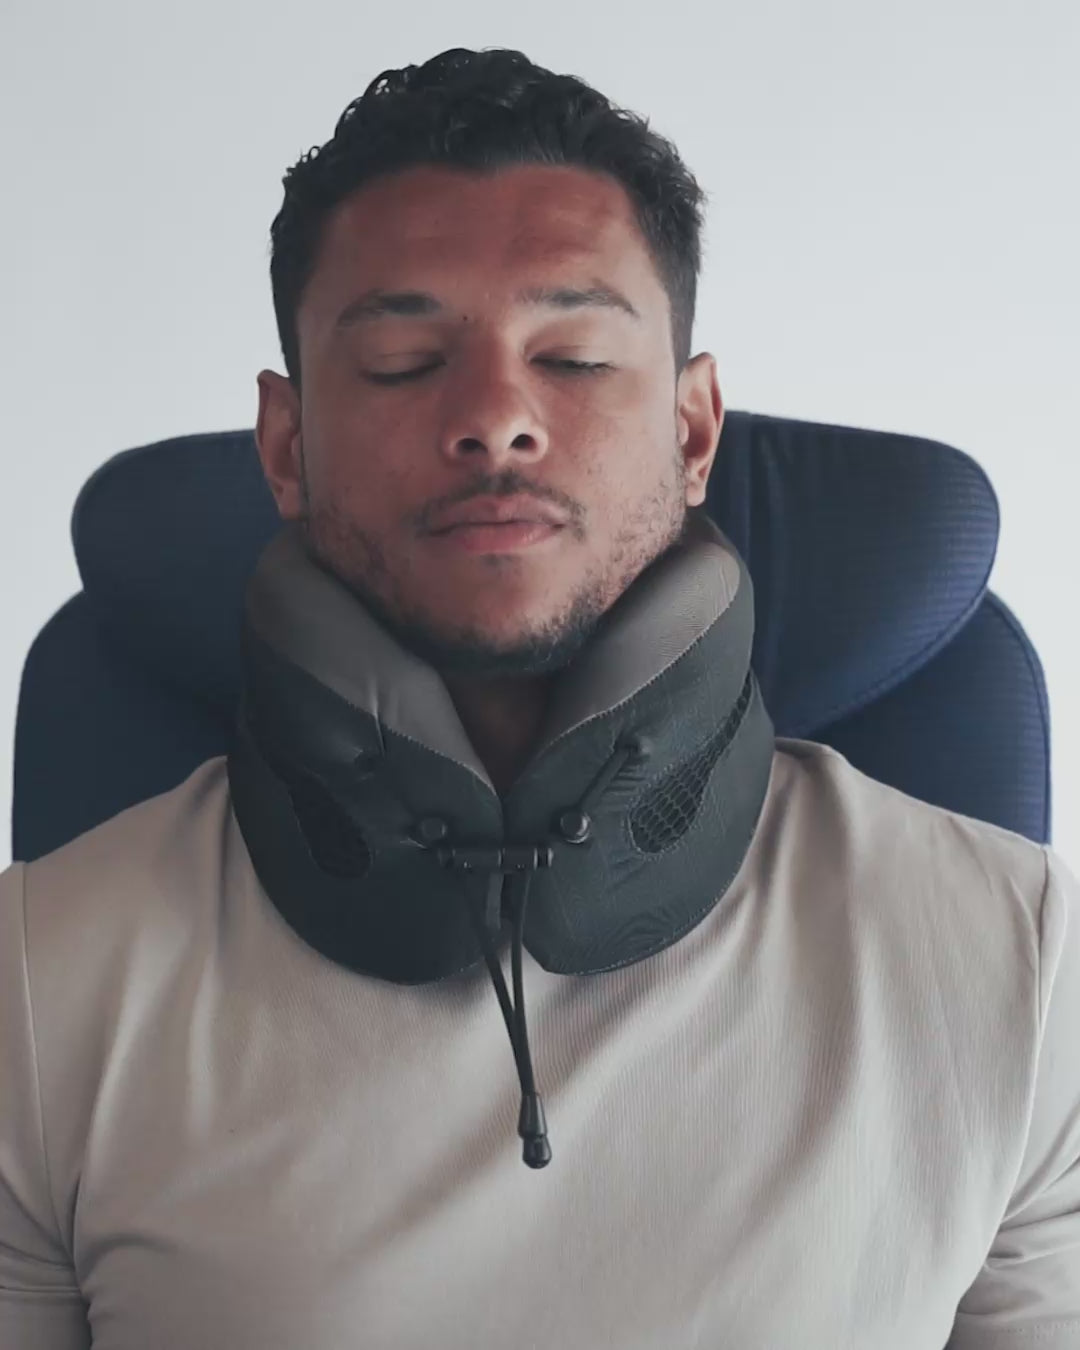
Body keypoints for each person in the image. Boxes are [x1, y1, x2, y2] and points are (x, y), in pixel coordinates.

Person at [2, 46, 1078, 1350]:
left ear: (694, 430)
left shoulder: (1021, 967)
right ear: (285, 446)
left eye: (571, 355)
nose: (497, 416)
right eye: (404, 360)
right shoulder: (35, 984)